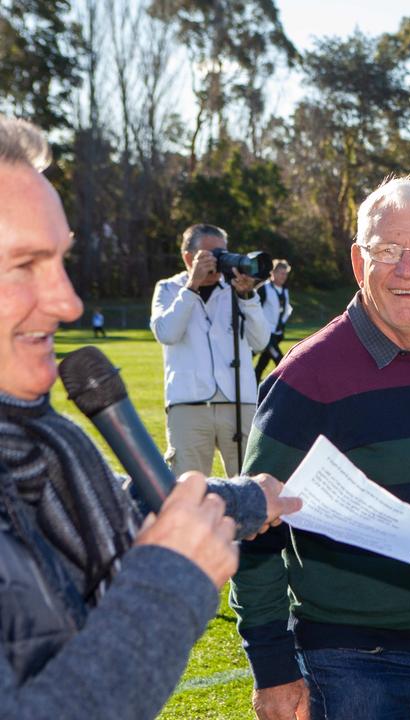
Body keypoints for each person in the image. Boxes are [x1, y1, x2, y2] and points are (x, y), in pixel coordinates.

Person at [0, 115, 299, 719]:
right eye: (24, 264)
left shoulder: (29, 443)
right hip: (189, 409)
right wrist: (171, 581)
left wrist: (245, 500)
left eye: (60, 260)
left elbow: (112, 501)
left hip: (236, 408)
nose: (69, 302)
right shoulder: (173, 289)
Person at [230, 178, 410, 720]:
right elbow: (251, 528)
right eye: (388, 250)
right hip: (347, 668)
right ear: (358, 261)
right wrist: (274, 669)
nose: (407, 269)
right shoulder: (308, 375)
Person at [150, 224, 269, 477]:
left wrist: (247, 296)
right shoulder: (169, 289)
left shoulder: (236, 288)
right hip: (188, 403)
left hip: (239, 400)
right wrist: (192, 286)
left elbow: (260, 341)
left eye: (222, 253)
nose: (218, 261)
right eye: (210, 254)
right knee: (189, 488)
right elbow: (166, 333)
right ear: (187, 258)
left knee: (249, 483)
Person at [254, 259, 293, 382]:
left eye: (285, 273)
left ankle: (255, 384)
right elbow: (253, 309)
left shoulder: (284, 290)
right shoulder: (263, 289)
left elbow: (285, 310)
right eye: (281, 273)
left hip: (276, 334)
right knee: (280, 361)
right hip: (265, 334)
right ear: (273, 273)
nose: (283, 276)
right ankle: (285, 385)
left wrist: (281, 325)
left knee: (263, 363)